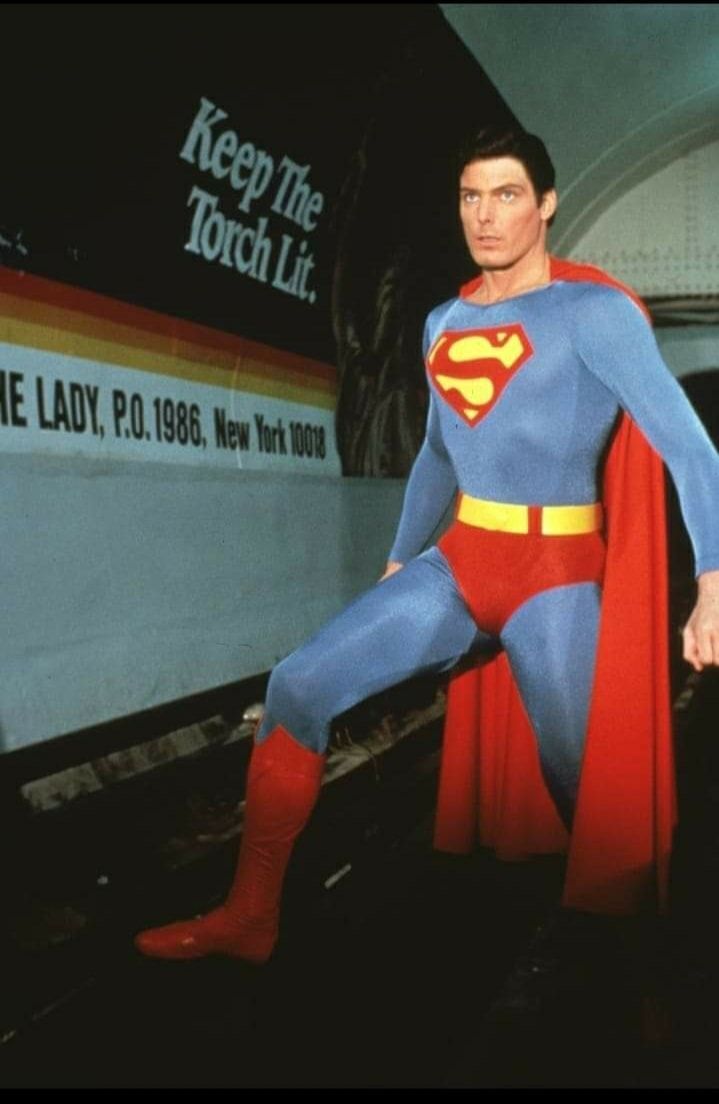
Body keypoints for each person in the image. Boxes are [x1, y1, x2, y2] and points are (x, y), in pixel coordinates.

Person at [135, 127, 719, 963]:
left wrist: (711, 581)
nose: (484, 216)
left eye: (507, 195)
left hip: (555, 578)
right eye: (469, 196)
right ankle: (248, 916)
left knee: (591, 798)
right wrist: (402, 560)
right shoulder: (441, 319)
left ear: (546, 205)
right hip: (462, 563)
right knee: (298, 685)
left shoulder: (593, 314)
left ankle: (649, 976)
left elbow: (691, 449)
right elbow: (439, 453)